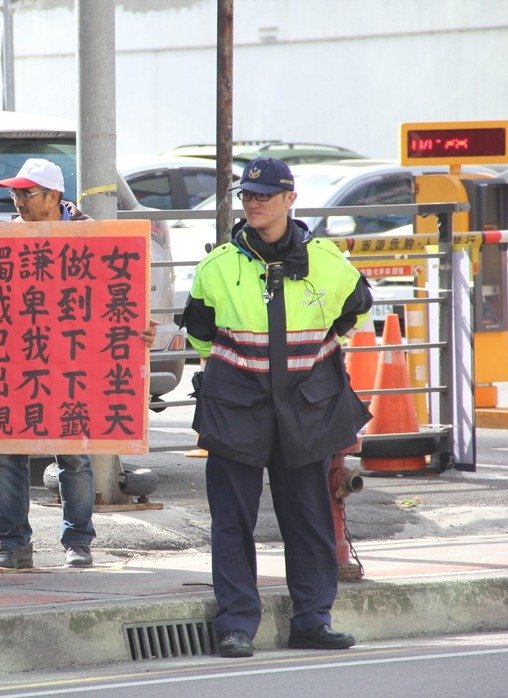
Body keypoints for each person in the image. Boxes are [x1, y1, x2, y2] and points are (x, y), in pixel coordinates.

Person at [181, 157, 372, 658]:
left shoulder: (329, 261)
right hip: (236, 407)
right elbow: (201, 333)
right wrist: (238, 372)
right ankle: (236, 624)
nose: (254, 203)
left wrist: (313, 357)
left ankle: (312, 620)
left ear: (290, 199)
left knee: (307, 518)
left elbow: (356, 308)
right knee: (232, 522)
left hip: (306, 406)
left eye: (265, 195)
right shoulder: (218, 266)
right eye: (247, 195)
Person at [0, 158, 155, 569]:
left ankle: (78, 541)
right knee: (8, 454)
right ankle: (12, 543)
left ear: (54, 196)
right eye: (15, 192)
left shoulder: (95, 240)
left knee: (73, 456)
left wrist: (141, 327)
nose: (18, 200)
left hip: (71, 365)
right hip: (17, 362)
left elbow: (121, 297)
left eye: (27, 193)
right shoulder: (3, 239)